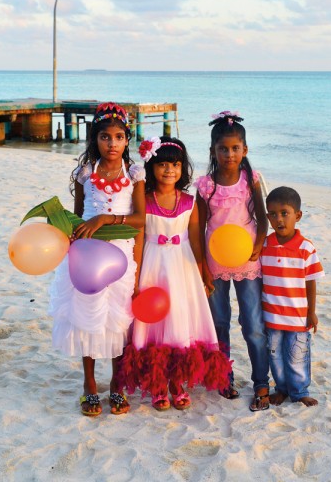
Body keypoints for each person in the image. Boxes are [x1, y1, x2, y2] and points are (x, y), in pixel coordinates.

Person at [119, 136, 231, 411]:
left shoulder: (190, 201)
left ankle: (176, 383)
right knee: (156, 322)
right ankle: (158, 385)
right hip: (153, 266)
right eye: (163, 165)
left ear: (183, 169)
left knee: (180, 320)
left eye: (176, 165)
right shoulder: (144, 199)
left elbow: (196, 240)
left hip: (183, 267)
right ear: (152, 167)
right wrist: (135, 279)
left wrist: (203, 273)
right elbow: (140, 238)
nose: (169, 170)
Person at [49, 102, 145, 417]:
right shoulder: (85, 172)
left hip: (120, 257)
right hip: (87, 256)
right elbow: (78, 217)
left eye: (119, 137)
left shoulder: (135, 173)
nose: (112, 143)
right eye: (105, 137)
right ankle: (90, 384)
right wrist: (67, 237)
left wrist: (105, 219)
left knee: (117, 320)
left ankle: (117, 384)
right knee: (87, 318)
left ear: (127, 139)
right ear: (96, 138)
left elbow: (141, 220)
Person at [195, 111, 270, 412]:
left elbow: (262, 218)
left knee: (252, 324)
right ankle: (223, 376)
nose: (229, 154)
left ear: (245, 150)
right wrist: (202, 264)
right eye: (223, 149)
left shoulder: (251, 179)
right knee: (220, 322)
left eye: (235, 148)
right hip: (214, 263)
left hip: (248, 263)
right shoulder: (205, 185)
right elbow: (198, 228)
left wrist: (259, 244)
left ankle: (261, 382)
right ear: (213, 151)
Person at [261, 186, 324, 407]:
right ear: (268, 216)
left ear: (297, 215)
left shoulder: (306, 248)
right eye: (273, 214)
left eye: (285, 213)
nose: (279, 219)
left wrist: (311, 312)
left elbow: (311, 281)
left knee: (297, 355)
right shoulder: (265, 245)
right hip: (272, 316)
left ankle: (299, 391)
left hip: (297, 317)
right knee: (275, 355)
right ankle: (282, 389)